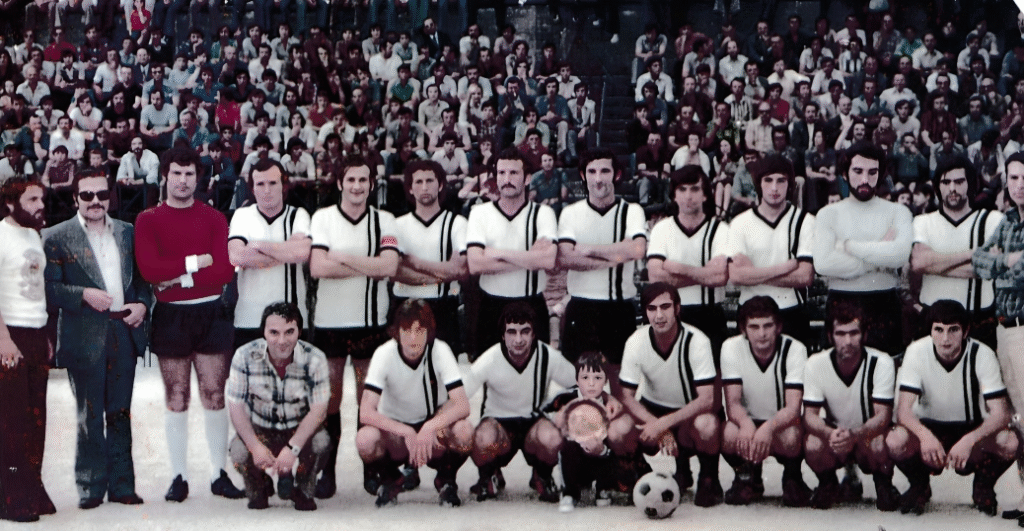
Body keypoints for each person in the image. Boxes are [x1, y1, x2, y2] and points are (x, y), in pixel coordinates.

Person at [134, 147, 244, 502]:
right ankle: (178, 476)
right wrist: (197, 263)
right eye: (177, 174)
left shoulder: (214, 218)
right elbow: (150, 269)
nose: (182, 181)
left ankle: (217, 473)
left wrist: (176, 277)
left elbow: (223, 271)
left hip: (210, 312)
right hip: (171, 316)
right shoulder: (148, 219)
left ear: (199, 178)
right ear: (165, 175)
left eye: (189, 174)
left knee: (214, 393)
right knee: (176, 395)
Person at [42, 171, 150, 510]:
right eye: (87, 195)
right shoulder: (56, 236)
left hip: (122, 330)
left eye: (101, 195)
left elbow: (143, 280)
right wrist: (83, 294)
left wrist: (142, 305)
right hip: (83, 333)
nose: (95, 202)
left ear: (110, 196)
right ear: (75, 198)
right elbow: (49, 288)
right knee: (88, 415)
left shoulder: (128, 232)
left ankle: (122, 486)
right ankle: (90, 486)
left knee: (120, 412)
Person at [308, 154, 400, 499]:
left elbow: (389, 267)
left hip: (370, 322)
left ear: (372, 184)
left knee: (367, 400)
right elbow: (318, 267)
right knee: (330, 400)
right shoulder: (323, 218)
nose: (357, 186)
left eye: (363, 180)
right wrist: (368, 265)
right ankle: (327, 472)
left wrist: (343, 257)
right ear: (340, 183)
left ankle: (370, 469)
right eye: (351, 180)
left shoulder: (385, 220)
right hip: (330, 322)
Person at [884, 300, 1016, 516]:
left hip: (969, 428)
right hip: (930, 427)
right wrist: (925, 436)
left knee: (1009, 442)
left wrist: (969, 440)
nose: (945, 338)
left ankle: (983, 486)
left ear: (965, 331)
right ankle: (919, 485)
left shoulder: (982, 353)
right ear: (930, 331)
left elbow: (1001, 414)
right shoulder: (917, 351)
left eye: (953, 330)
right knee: (895, 440)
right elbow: (903, 412)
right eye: (939, 330)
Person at [357, 299, 473, 507]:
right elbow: (365, 412)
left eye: (419, 330)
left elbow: (462, 404)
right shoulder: (384, 353)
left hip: (432, 430)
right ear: (396, 331)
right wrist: (405, 431)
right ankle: (392, 479)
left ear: (429, 331)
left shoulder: (440, 350)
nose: (413, 338)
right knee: (365, 439)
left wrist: (430, 426)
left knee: (464, 431)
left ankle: (446, 479)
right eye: (406, 330)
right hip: (397, 432)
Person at [618, 282, 722, 507]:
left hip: (688, 413)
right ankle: (639, 475)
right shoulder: (636, 341)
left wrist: (663, 424)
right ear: (645, 312)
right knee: (620, 428)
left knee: (707, 424)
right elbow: (626, 396)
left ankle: (708, 478)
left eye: (665, 307)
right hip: (653, 408)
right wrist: (655, 424)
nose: (659, 315)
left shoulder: (697, 341)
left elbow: (707, 399)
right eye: (652, 308)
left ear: (677, 308)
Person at [466, 302, 575, 503]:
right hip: (498, 423)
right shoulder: (490, 358)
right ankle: (489, 474)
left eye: (525, 332)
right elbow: (459, 393)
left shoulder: (547, 355)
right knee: (481, 438)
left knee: (552, 438)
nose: (518, 339)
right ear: (502, 335)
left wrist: (563, 408)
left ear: (533, 334)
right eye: (512, 332)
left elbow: (577, 385)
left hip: (532, 423)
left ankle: (542, 475)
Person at [226, 302, 329, 511]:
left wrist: (293, 448)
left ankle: (302, 485)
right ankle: (259, 484)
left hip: (297, 427)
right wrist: (255, 447)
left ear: (299, 331)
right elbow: (235, 406)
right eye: (274, 332)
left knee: (321, 442)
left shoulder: (315, 358)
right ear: (263, 332)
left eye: (289, 332)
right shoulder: (244, 356)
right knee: (238, 451)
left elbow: (319, 409)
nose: (282, 341)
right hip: (262, 428)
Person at [556, 148, 646, 389]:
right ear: (583, 175)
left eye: (605, 171)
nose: (598, 178)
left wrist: (587, 249)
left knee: (620, 388)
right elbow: (565, 258)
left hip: (619, 307)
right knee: (576, 386)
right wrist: (616, 256)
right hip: (581, 307)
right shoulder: (571, 213)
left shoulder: (631, 211)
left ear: (616, 174)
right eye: (591, 171)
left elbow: (637, 250)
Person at [812, 144, 913, 356]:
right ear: (844, 173)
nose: (865, 179)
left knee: (887, 370)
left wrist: (849, 246)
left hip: (884, 303)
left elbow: (899, 256)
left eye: (872, 172)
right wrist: (879, 255)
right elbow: (823, 263)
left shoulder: (898, 212)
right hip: (841, 302)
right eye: (858, 171)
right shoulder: (828, 214)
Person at [802, 302, 899, 511]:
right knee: (812, 443)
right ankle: (828, 483)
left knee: (881, 442)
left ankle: (883, 484)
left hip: (866, 436)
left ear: (864, 335)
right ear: (830, 336)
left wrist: (854, 435)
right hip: (835, 436)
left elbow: (883, 416)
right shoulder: (815, 363)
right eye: (840, 334)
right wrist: (830, 434)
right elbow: (810, 416)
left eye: (854, 333)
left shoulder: (880, 362)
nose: (848, 341)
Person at [719, 296, 811, 508]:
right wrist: (746, 424)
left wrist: (768, 428)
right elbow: (732, 402)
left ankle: (792, 477)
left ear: (778, 327)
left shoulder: (794, 349)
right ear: (743, 329)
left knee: (793, 435)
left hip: (780, 424)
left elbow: (793, 408)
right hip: (749, 421)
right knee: (729, 433)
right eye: (754, 327)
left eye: (768, 325)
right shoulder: (731, 348)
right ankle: (745, 476)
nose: (761, 333)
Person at [972, 151, 1024, 521]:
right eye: (1015, 178)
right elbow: (979, 260)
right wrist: (1006, 260)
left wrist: (1002, 266)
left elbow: (1019, 277)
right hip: (1005, 328)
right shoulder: (1007, 221)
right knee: (1019, 418)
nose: (1021, 185)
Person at [0, 177, 55, 522]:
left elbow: (38, 289)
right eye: (32, 200)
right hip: (10, 335)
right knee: (12, 420)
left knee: (37, 417)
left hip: (35, 333)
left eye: (41, 199)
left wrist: (45, 333)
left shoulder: (34, 235)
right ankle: (11, 497)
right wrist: (3, 339)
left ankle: (32, 487)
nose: (40, 206)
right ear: (10, 204)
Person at [466, 148, 556, 353]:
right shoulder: (480, 213)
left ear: (527, 178)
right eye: (501, 173)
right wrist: (530, 258)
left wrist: (497, 253)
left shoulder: (543, 213)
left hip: (531, 303)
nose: (507, 179)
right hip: (491, 306)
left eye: (514, 173)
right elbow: (475, 264)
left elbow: (548, 260)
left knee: (535, 370)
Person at [726, 155, 816, 348]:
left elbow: (805, 277)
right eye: (768, 180)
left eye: (781, 180)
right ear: (759, 183)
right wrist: (786, 267)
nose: (774, 188)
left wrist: (754, 274)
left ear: (789, 184)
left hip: (790, 310)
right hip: (750, 312)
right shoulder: (740, 223)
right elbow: (737, 276)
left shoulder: (804, 221)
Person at [911, 157, 1001, 348]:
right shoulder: (923, 221)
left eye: (959, 181)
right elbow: (918, 263)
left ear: (970, 184)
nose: (952, 188)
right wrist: (974, 254)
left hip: (978, 318)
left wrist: (935, 265)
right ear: (937, 186)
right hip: (933, 317)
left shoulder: (991, 220)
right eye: (946, 182)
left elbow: (994, 267)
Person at [227, 159, 311, 348]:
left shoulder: (298, 215)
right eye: (260, 184)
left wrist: (257, 245)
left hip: (291, 320)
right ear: (252, 188)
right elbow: (237, 257)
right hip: (249, 319)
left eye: (273, 183)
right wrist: (285, 251)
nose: (267, 190)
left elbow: (301, 253)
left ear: (284, 186)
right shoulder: (242, 215)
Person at [646, 166, 729, 355]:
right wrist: (704, 274)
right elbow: (656, 278)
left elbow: (720, 277)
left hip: (710, 315)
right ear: (674, 195)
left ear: (705, 195)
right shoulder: (662, 229)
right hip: (672, 316)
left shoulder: (720, 229)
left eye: (695, 189)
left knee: (713, 372)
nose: (688, 196)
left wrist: (675, 267)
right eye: (682, 189)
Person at [391, 160, 467, 350]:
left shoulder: (457, 223)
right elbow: (393, 270)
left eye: (429, 181)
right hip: (405, 304)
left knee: (443, 366)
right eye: (418, 182)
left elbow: (460, 270)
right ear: (410, 188)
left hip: (443, 307)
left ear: (440, 185)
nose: (424, 187)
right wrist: (439, 277)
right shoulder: (395, 225)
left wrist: (415, 262)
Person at [548, 351, 635, 512]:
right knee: (566, 448)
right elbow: (545, 414)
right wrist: (559, 416)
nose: (591, 383)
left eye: (598, 378)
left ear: (606, 380)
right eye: (585, 378)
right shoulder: (566, 398)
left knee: (609, 445)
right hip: (575, 453)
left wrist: (602, 449)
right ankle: (569, 493)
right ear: (576, 380)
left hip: (598, 451)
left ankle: (603, 488)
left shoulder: (609, 404)